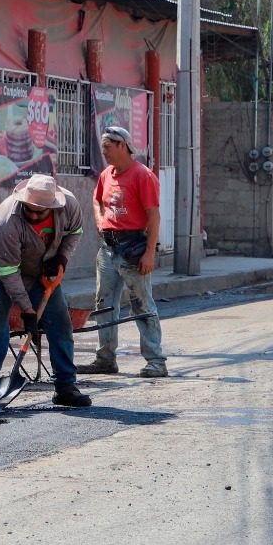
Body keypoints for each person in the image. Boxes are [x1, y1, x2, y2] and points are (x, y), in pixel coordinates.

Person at [0, 175, 91, 414]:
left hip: (42, 267)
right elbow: (8, 273)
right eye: (29, 210)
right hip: (2, 267)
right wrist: (27, 310)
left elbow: (75, 232)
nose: (33, 215)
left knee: (61, 324)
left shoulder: (70, 206)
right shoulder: (6, 221)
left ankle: (66, 386)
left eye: (40, 213)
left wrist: (62, 258)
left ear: (53, 206)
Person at [77, 125, 167, 378]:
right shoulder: (107, 174)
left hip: (133, 249)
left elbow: (153, 215)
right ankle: (105, 359)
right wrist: (99, 220)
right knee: (104, 305)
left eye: (107, 146)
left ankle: (156, 361)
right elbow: (96, 200)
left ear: (122, 146)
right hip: (108, 249)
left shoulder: (142, 175)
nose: (104, 151)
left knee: (142, 304)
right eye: (103, 147)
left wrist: (150, 253)